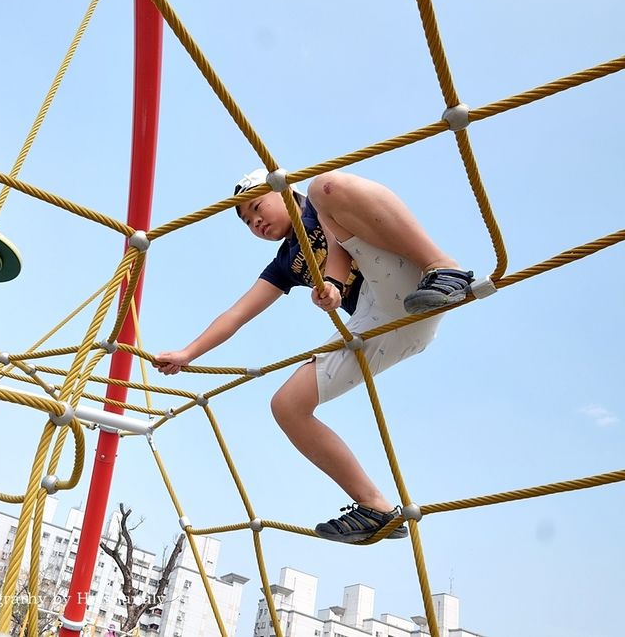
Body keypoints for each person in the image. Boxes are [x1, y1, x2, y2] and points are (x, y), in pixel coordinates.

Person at [154, 168, 473, 544]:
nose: (256, 222)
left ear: (283, 191)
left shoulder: (316, 207)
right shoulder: (285, 263)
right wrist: (188, 353)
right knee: (287, 405)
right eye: (248, 222)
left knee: (325, 186)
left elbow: (336, 243)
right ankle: (375, 506)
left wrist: (335, 284)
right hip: (382, 322)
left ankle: (443, 267)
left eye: (257, 207)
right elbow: (237, 313)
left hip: (408, 282)